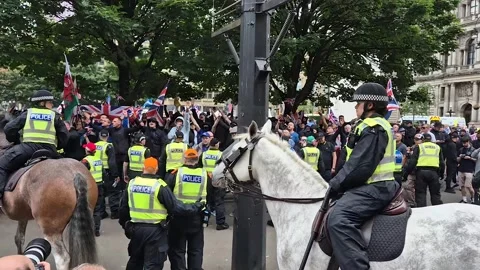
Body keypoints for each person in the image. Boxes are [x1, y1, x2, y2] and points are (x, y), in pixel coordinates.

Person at [327, 83, 399, 270]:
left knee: (338, 219)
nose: (355, 106)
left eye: (358, 102)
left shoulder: (374, 127)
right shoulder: (367, 125)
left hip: (374, 187)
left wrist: (335, 184)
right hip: (371, 186)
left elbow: (360, 166)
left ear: (369, 105)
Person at [118, 157, 203, 270]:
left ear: (143, 168)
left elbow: (123, 209)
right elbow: (176, 208)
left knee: (135, 262)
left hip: (136, 230)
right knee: (153, 265)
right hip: (155, 232)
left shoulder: (132, 184)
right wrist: (197, 206)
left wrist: (126, 226)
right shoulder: (159, 186)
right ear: (156, 169)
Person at [0, 90, 68, 204]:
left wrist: (15, 139)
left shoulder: (28, 114)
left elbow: (8, 129)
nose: (52, 104)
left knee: (1, 165)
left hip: (27, 149)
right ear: (42, 103)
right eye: (50, 102)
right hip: (50, 150)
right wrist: (58, 146)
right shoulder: (55, 116)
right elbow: (64, 136)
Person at [166, 149, 208, 270]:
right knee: (195, 250)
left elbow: (167, 194)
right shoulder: (204, 174)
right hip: (197, 217)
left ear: (184, 159)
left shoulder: (176, 173)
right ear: (197, 159)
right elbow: (209, 195)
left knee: (177, 250)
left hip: (178, 217)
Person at [405, 133, 444, 207]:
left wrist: (406, 173)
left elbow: (413, 161)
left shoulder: (419, 147)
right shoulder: (437, 147)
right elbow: (441, 162)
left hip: (421, 172)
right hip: (434, 172)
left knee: (421, 194)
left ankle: (422, 211)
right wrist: (441, 174)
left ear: (423, 139)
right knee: (435, 194)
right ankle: (438, 210)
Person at [199, 138, 229, 230]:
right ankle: (220, 223)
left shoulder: (204, 154)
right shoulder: (221, 155)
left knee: (205, 200)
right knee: (219, 201)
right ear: (216, 145)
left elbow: (199, 166)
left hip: (206, 179)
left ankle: (203, 221)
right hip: (218, 179)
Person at [94, 129, 119, 219]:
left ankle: (101, 212)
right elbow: (112, 162)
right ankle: (114, 213)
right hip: (107, 171)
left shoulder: (94, 145)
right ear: (107, 136)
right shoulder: (109, 146)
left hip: (96, 171)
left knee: (100, 193)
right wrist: (115, 175)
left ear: (100, 136)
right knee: (113, 191)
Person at [81, 142, 104, 236]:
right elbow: (103, 173)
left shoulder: (85, 161)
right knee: (97, 209)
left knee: (87, 209)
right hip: (99, 185)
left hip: (89, 187)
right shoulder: (99, 160)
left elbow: (81, 174)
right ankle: (96, 230)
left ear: (87, 150)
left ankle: (87, 230)